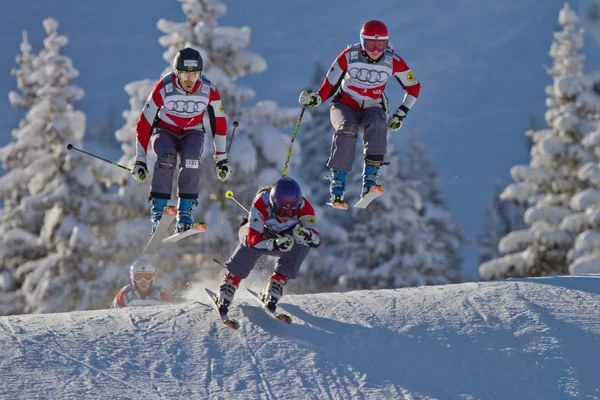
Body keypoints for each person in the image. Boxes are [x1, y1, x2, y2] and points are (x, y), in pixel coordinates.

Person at [298, 20, 421, 207]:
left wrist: (400, 114)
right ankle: (338, 182)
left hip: (373, 107)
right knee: (348, 128)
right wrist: (315, 99)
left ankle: (370, 180)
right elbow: (329, 85)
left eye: (381, 45)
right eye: (371, 44)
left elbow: (414, 87)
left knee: (379, 123)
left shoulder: (392, 61)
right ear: (362, 42)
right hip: (344, 105)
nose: (376, 50)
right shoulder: (349, 56)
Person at [131, 47, 231, 233]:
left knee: (192, 160)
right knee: (167, 159)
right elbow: (145, 123)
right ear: (177, 73)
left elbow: (219, 124)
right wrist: (140, 159)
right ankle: (159, 211)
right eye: (185, 75)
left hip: (192, 132)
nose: (189, 81)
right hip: (165, 130)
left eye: (194, 76)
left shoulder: (209, 90)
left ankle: (185, 211)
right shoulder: (164, 87)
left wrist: (221, 159)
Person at [212, 176, 320, 315]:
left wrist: (307, 235)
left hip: (283, 241)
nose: (286, 216)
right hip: (257, 236)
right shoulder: (262, 202)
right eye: (281, 211)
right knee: (250, 245)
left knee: (303, 244)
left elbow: (316, 240)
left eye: (292, 212)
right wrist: (273, 243)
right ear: (273, 203)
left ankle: (277, 282)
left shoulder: (305, 207)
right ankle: (230, 282)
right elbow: (252, 239)